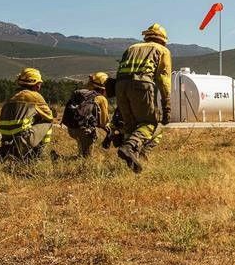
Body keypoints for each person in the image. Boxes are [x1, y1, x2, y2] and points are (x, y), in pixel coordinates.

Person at [115, 23, 172, 173]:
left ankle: (133, 162)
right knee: (149, 123)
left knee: (131, 125)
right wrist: (166, 105)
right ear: (163, 39)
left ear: (146, 36)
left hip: (120, 86)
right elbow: (163, 79)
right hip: (141, 85)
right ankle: (129, 147)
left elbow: (120, 70)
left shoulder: (131, 48)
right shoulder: (161, 49)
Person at [0, 68, 55, 161]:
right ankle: (38, 154)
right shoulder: (35, 96)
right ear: (36, 84)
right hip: (21, 138)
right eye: (39, 83)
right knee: (48, 123)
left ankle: (11, 151)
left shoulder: (12, 95)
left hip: (5, 139)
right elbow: (49, 117)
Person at [62, 72, 110, 157]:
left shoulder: (81, 93)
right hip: (85, 131)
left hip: (71, 128)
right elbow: (103, 122)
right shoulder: (101, 99)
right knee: (87, 158)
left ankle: (73, 156)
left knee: (82, 149)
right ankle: (60, 158)